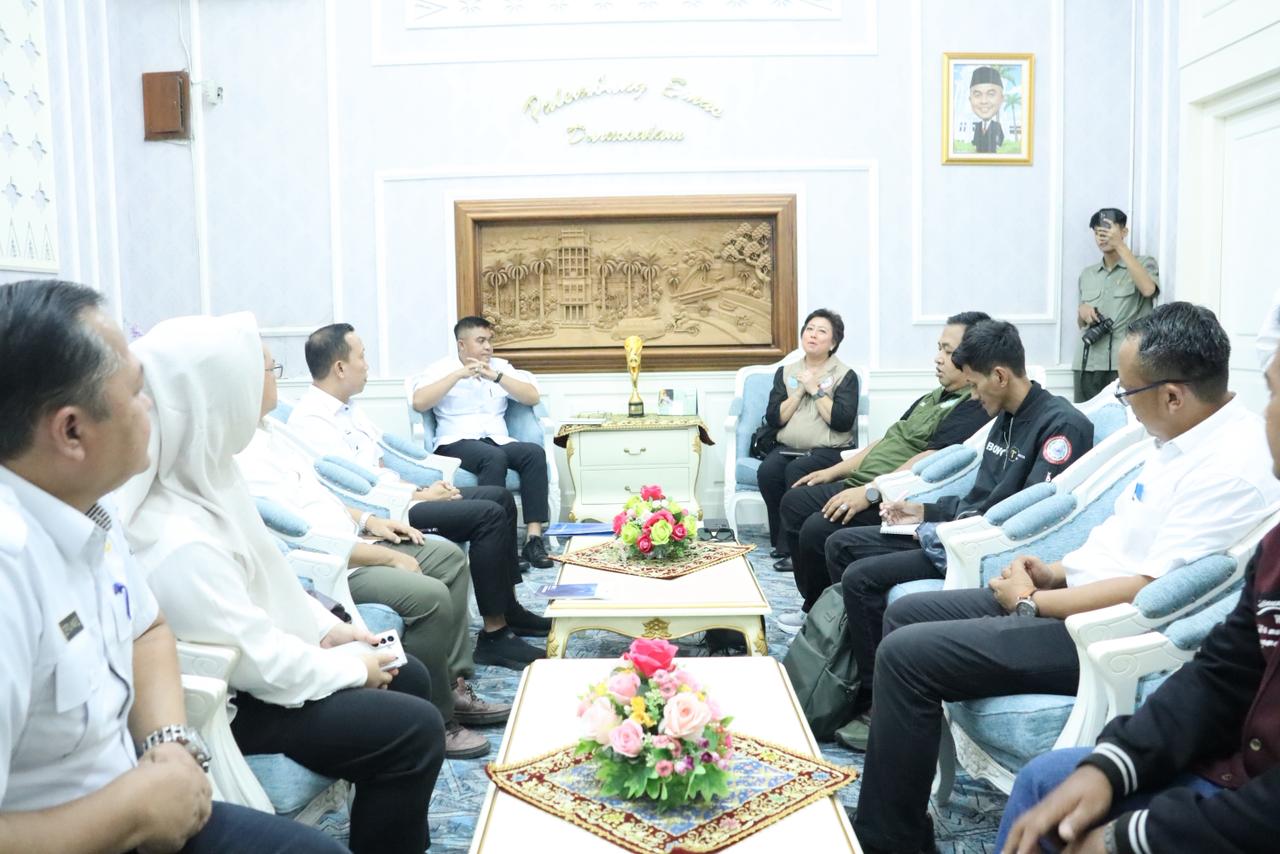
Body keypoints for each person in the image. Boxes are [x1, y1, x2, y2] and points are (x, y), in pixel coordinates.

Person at [852, 303, 1280, 854]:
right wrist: (1051, 572)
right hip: (1066, 596)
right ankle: (896, 813)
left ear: (1173, 396)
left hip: (1096, 628)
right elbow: (1119, 546)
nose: (1123, 405)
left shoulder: (1230, 467)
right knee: (907, 612)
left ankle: (890, 840)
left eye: (1127, 392)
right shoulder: (1172, 441)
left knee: (906, 655)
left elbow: (1150, 593)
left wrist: (1032, 602)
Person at [0, 280, 345, 853]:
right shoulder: (11, 572)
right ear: (72, 431)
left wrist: (168, 741)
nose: (151, 408)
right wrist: (133, 811)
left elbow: (148, 628)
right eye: (137, 392)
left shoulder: (89, 508)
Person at [116, 312, 447, 854]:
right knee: (413, 728)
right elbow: (257, 662)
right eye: (264, 370)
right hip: (238, 703)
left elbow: (270, 574)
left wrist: (331, 631)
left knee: (405, 674)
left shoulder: (212, 475)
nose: (271, 381)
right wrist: (349, 667)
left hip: (260, 672)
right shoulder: (172, 536)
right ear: (221, 395)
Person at [997, 308, 1280, 854]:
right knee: (1050, 783)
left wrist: (1132, 836)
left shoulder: (1229, 463)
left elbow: (1149, 586)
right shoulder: (1275, 550)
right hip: (1233, 771)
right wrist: (1114, 763)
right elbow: (1221, 674)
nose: (1264, 413)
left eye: (1272, 393)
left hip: (1251, 808)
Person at [237, 341, 510, 759]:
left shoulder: (273, 432)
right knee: (431, 595)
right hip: (333, 564)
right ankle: (440, 719)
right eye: (273, 369)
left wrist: (369, 522)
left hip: (357, 536)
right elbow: (298, 532)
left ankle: (452, 683)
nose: (279, 377)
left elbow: (322, 495)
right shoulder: (243, 454)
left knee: (449, 559)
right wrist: (384, 554)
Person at [827, 319, 1094, 744]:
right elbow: (979, 496)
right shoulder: (1004, 417)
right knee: (842, 545)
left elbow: (1027, 519)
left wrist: (938, 529)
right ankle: (853, 682)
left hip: (982, 548)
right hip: (957, 531)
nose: (972, 396)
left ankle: (877, 701)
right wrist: (921, 510)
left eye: (974, 385)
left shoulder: (1061, 426)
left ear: (1000, 376)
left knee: (861, 577)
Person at [289, 322, 546, 670]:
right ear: (340, 368)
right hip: (387, 513)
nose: (367, 365)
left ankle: (509, 610)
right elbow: (348, 490)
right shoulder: (313, 421)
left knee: (498, 497)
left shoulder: (349, 409)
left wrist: (422, 490)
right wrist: (420, 498)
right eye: (362, 357)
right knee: (488, 515)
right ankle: (494, 637)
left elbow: (379, 467)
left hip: (402, 498)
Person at [774, 311, 991, 624]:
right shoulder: (932, 397)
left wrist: (872, 491)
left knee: (817, 529)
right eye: (939, 349)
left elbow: (931, 460)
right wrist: (834, 471)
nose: (938, 358)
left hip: (892, 495)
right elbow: (888, 438)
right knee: (795, 499)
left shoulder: (971, 406)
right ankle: (815, 603)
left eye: (948, 351)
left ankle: (824, 616)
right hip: (864, 481)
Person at [411, 316, 554, 569]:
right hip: (455, 441)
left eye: (489, 340)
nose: (488, 347)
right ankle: (502, 545)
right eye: (481, 341)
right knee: (493, 457)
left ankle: (533, 539)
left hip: (497, 439)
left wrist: (497, 377)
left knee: (533, 453)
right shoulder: (440, 369)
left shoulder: (500, 367)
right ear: (461, 344)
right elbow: (420, 402)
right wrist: (457, 375)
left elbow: (532, 397)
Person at [756, 309, 860, 566]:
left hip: (828, 451)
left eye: (822, 331)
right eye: (809, 329)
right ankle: (780, 541)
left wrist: (815, 390)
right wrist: (800, 391)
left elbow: (842, 421)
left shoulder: (845, 375)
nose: (813, 335)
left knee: (797, 471)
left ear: (833, 343)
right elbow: (774, 418)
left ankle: (795, 548)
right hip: (787, 447)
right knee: (768, 471)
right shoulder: (786, 372)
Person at [1073, 208, 1160, 402]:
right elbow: (1080, 323)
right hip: (1087, 362)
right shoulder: (1087, 274)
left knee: (1125, 416)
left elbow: (1148, 289)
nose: (1102, 236)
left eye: (1107, 230)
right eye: (1098, 232)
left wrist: (1119, 245)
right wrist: (1083, 312)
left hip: (1124, 362)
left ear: (1124, 231)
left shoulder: (1143, 263)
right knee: (1083, 417)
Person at [969, 66, 1006, 153]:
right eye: (977, 95)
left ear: (1001, 99)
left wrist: (998, 144)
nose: (984, 101)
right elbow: (975, 139)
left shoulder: (996, 125)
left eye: (991, 94)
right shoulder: (978, 125)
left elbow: (1001, 138)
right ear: (970, 100)